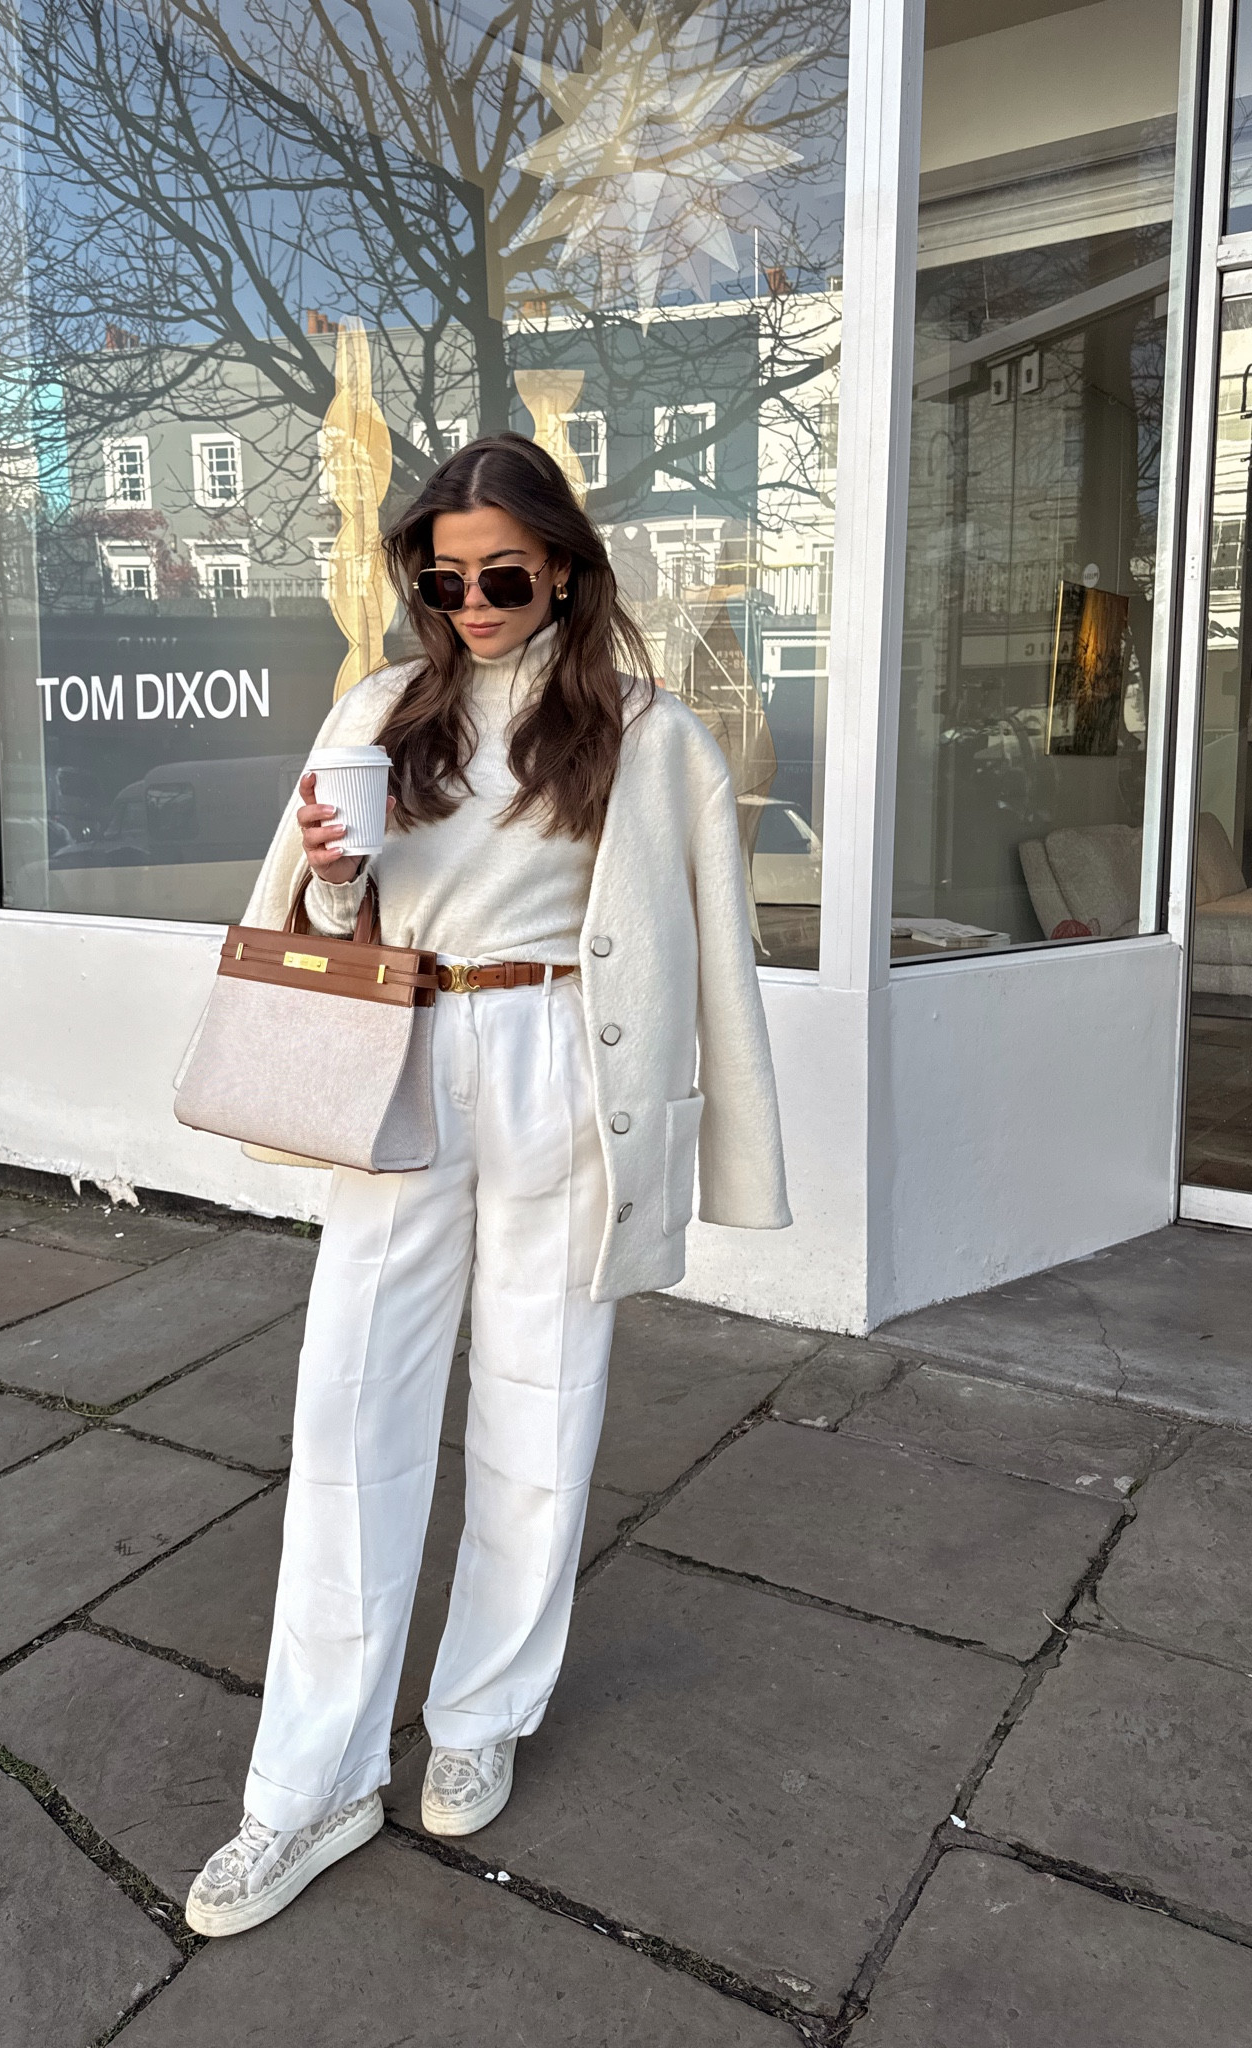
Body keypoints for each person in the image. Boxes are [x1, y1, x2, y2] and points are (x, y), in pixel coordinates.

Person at [184, 433, 790, 1938]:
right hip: (405, 1048)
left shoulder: (651, 735)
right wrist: (334, 872)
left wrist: (735, 1153)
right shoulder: (379, 709)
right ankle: (308, 1786)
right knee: (349, 1410)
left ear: (564, 570)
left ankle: (481, 1714)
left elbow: (716, 954)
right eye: (441, 577)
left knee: (541, 1402)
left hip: (561, 1067)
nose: (469, 603)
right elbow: (322, 911)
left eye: (500, 577)